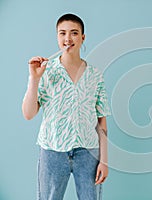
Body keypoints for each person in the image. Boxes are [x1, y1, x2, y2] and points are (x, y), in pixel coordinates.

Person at [22, 13, 111, 200]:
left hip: (88, 153)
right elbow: (28, 114)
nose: (68, 38)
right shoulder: (46, 71)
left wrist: (104, 161)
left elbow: (102, 122)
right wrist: (34, 79)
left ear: (82, 37)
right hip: (52, 152)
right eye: (62, 33)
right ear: (57, 37)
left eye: (74, 33)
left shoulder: (95, 75)